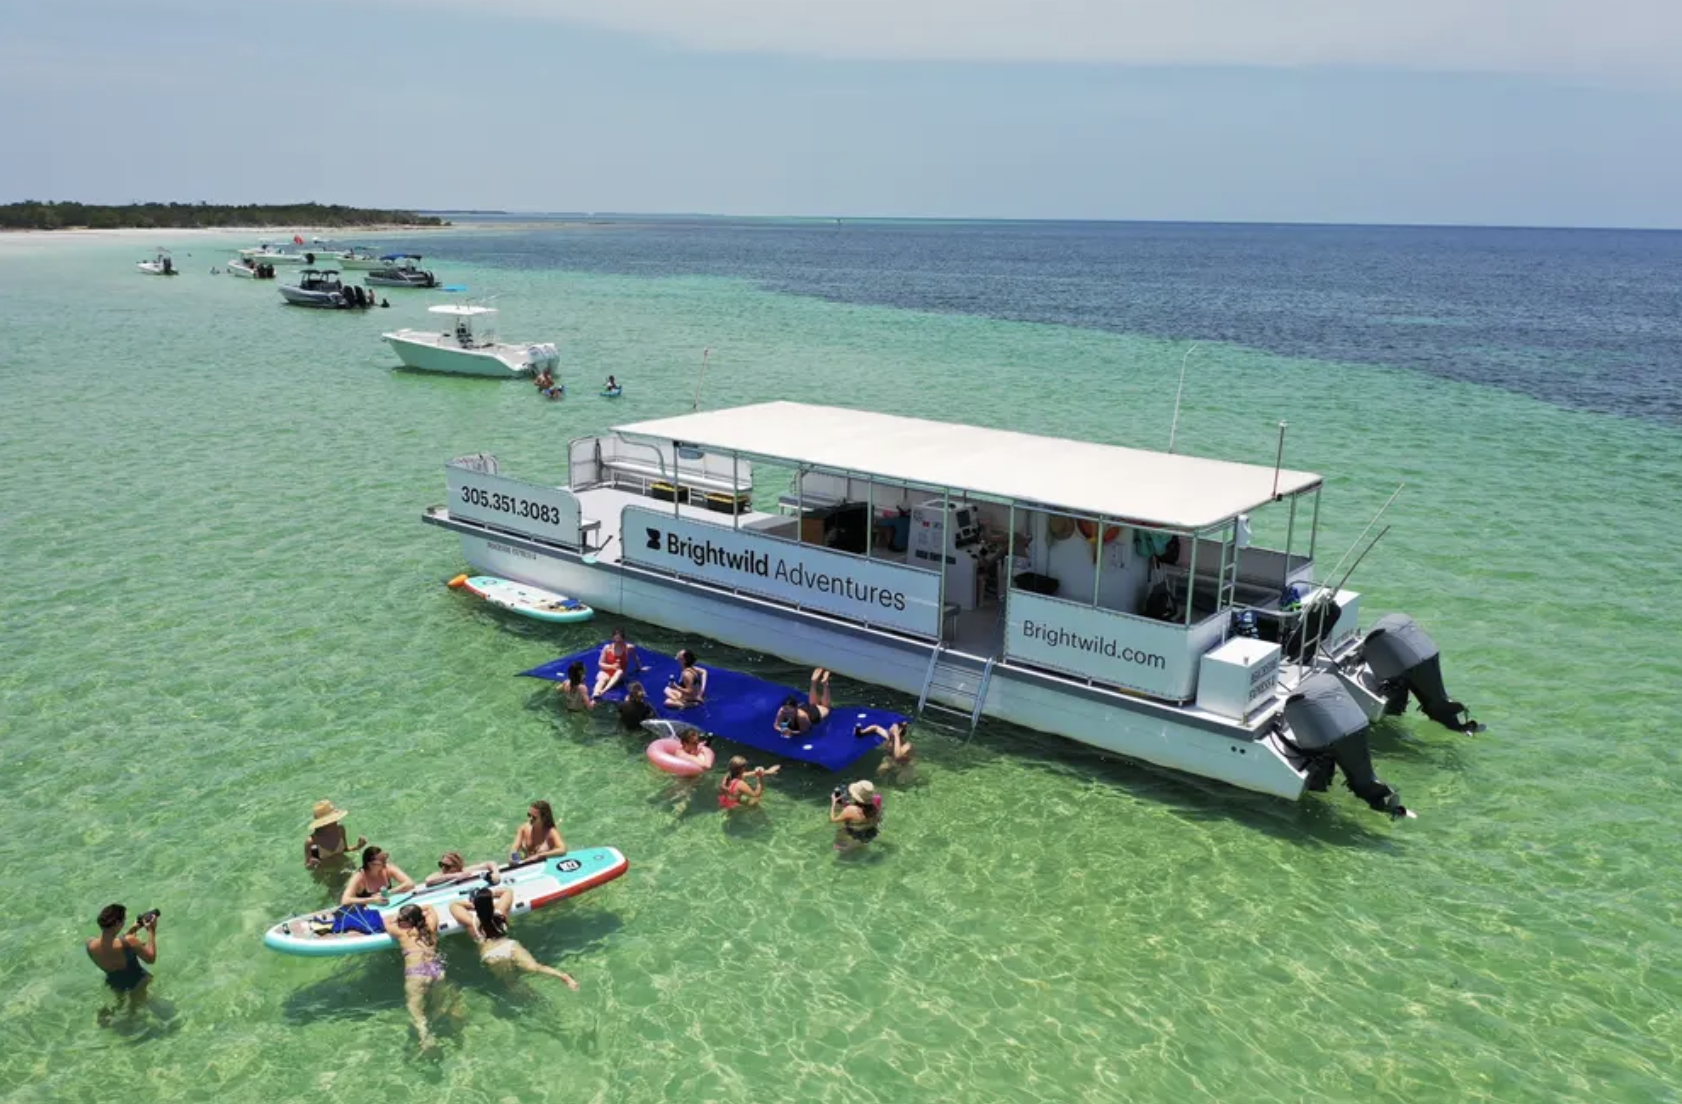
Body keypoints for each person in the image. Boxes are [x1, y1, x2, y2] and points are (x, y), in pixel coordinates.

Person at [448, 886, 580, 990]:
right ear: (491, 903)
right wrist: (489, 896)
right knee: (534, 967)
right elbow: (507, 891)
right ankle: (564, 976)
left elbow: (453, 905)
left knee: (511, 983)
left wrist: (473, 904)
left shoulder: (471, 922)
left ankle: (529, 999)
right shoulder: (501, 913)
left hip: (491, 954)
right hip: (510, 946)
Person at [391, 903, 444, 1050]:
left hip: (417, 973)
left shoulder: (402, 933)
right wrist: (421, 914)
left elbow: (386, 921)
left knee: (415, 1009)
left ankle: (425, 1037)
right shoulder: (431, 927)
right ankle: (439, 1028)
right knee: (437, 1005)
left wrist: (397, 920)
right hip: (437, 970)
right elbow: (431, 908)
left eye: (402, 918)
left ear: (408, 921)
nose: (400, 921)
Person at [86, 904, 157, 1006]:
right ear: (117, 922)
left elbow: (117, 945)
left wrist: (133, 929)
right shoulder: (129, 941)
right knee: (136, 1011)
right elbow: (151, 958)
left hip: (115, 984)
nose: (124, 922)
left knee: (120, 1008)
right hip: (138, 982)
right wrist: (151, 930)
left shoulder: (90, 944)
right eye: (123, 920)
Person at [341, 846, 416, 907]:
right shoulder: (359, 877)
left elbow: (410, 884)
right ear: (370, 864)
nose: (385, 862)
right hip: (367, 910)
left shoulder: (388, 869)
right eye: (382, 861)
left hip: (387, 907)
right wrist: (372, 900)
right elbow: (345, 900)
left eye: (385, 858)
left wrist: (389, 892)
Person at [303, 799, 366, 870]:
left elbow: (345, 850)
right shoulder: (313, 842)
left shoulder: (340, 830)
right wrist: (311, 864)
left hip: (345, 867)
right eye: (333, 819)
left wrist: (358, 846)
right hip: (326, 874)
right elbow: (309, 866)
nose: (336, 821)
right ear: (323, 824)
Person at [774, 668, 831, 736]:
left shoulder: (802, 717)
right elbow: (776, 725)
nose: (786, 712)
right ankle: (813, 682)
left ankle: (825, 684)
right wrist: (782, 730)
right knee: (813, 704)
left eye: (789, 710)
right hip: (804, 707)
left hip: (815, 714)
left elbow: (805, 730)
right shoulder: (782, 711)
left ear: (795, 709)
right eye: (785, 709)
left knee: (826, 708)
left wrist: (791, 732)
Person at [830, 779, 883, 849]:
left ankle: (844, 847)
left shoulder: (850, 809)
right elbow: (878, 820)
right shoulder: (874, 808)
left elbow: (833, 819)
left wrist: (833, 803)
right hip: (871, 832)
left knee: (841, 829)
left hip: (855, 834)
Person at [593, 627, 638, 697]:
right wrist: (612, 666)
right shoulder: (607, 648)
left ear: (623, 639)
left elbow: (635, 658)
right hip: (607, 671)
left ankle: (604, 691)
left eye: (619, 640)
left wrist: (640, 668)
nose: (617, 642)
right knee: (601, 679)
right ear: (613, 638)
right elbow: (600, 663)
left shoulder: (628, 647)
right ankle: (595, 694)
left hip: (619, 674)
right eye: (616, 640)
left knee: (619, 672)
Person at [423, 850, 501, 888]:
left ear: (457, 867)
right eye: (441, 864)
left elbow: (490, 863)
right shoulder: (441, 874)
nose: (443, 868)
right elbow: (428, 881)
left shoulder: (465, 871)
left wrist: (496, 873)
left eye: (447, 866)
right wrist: (455, 876)